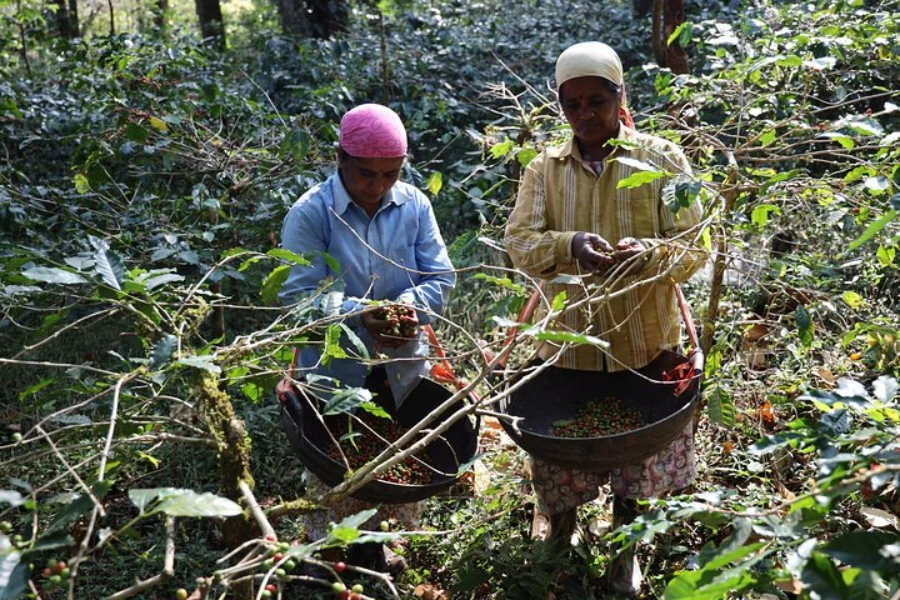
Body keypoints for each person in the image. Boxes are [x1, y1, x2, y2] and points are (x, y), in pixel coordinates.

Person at [504, 42, 707, 595]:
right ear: (560, 106)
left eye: (597, 100)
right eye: (572, 104)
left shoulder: (663, 160)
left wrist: (649, 253)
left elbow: (695, 245)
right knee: (558, 454)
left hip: (643, 343)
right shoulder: (545, 168)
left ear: (621, 97)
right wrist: (569, 245)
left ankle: (626, 550)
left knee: (635, 457)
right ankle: (559, 537)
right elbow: (519, 243)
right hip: (567, 347)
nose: (585, 114)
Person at [279, 103, 460, 571]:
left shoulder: (414, 205)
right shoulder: (311, 214)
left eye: (390, 174)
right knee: (336, 463)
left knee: (392, 456)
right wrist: (360, 316)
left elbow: (440, 276)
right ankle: (327, 557)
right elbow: (298, 298)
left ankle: (375, 546)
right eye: (366, 174)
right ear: (340, 159)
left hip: (402, 364)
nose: (378, 186)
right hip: (335, 371)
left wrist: (408, 310)